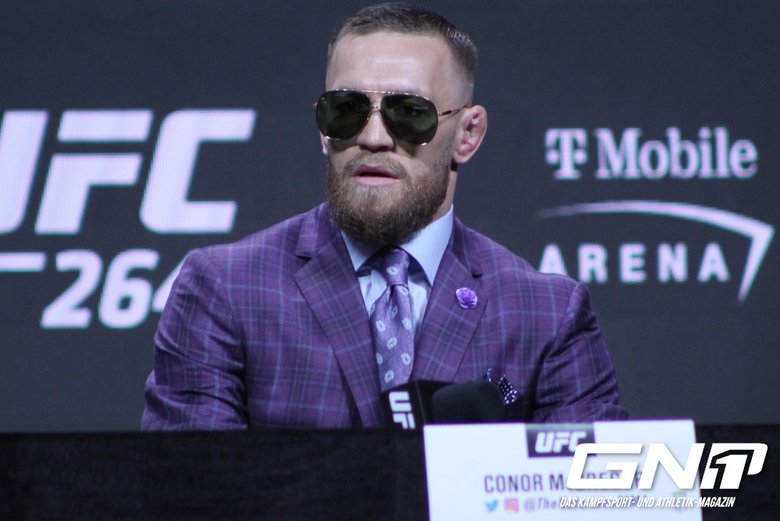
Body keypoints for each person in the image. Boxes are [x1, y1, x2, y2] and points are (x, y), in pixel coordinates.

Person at [141, 3, 627, 430]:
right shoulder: (225, 290)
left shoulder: (546, 314)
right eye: (346, 109)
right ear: (323, 129)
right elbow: (190, 487)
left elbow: (599, 494)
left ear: (467, 134)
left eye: (409, 112)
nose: (373, 137)